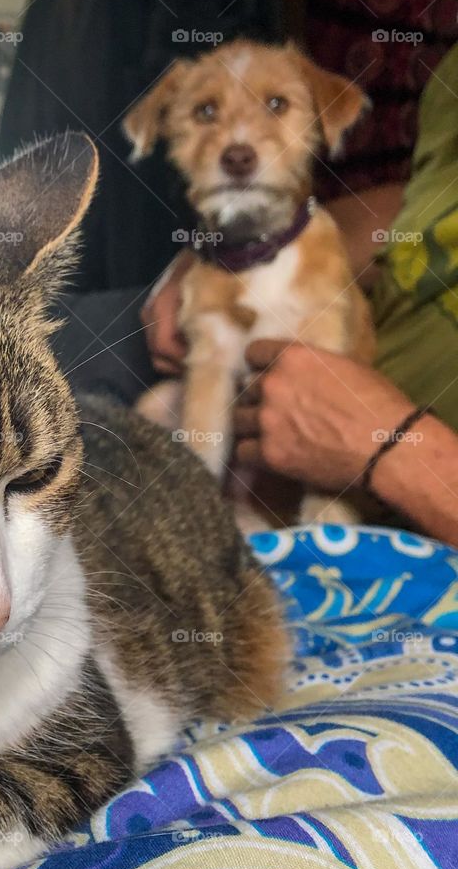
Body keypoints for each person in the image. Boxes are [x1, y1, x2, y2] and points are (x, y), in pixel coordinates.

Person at [141, 43, 458, 547]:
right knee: (149, 401)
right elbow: (416, 200)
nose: (238, 143)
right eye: (207, 112)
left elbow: (335, 436)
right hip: (235, 468)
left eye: (275, 105)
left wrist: (391, 451)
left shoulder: (322, 273)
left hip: (365, 470)